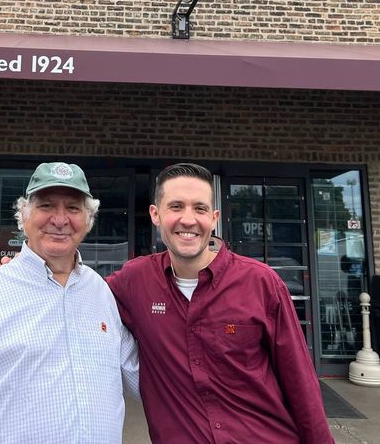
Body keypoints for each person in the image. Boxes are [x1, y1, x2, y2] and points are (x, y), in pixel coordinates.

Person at [106, 162, 335, 444]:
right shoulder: (134, 281)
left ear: (214, 218)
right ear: (156, 214)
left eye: (200, 209)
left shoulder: (261, 283)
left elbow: (301, 384)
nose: (188, 220)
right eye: (176, 206)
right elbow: (77, 295)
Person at [0, 162, 139, 444]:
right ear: (24, 216)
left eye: (73, 208)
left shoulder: (100, 291)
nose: (60, 220)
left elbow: (144, 378)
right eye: (46, 206)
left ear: (88, 220)